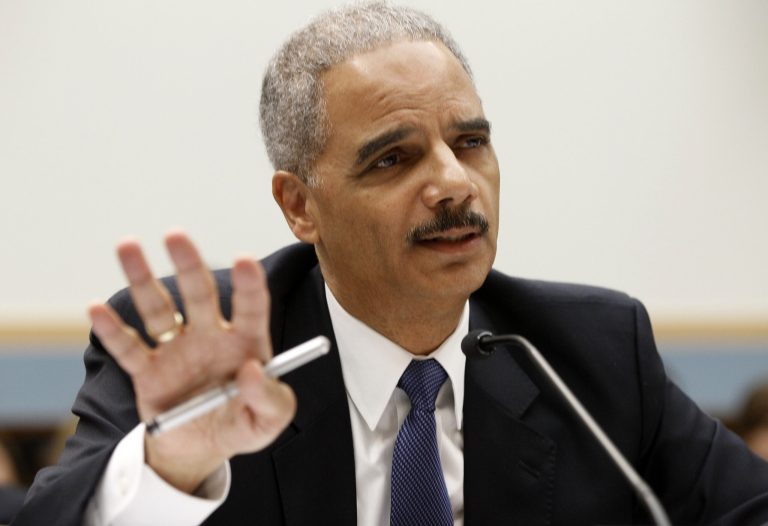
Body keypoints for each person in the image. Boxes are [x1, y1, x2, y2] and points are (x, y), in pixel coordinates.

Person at [13, 3, 768, 525]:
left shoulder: (592, 350)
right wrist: (171, 463)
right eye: (394, 158)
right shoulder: (197, 351)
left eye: (470, 142)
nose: (452, 183)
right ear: (300, 204)